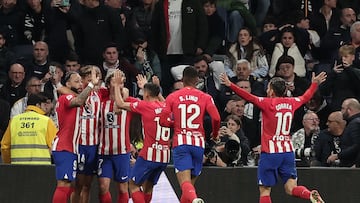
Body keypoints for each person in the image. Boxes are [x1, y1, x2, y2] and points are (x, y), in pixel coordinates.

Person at [220, 71, 327, 203]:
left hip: (270, 152)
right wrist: (314, 84)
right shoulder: (292, 102)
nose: (266, 89)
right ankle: (308, 194)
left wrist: (230, 84)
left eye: (268, 87)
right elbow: (306, 97)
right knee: (291, 187)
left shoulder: (267, 103)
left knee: (265, 190)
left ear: (272, 91)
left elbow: (248, 97)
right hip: (287, 152)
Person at [159, 66, 221, 203]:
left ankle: (195, 200)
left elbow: (163, 121)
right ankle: (193, 199)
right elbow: (216, 118)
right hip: (198, 144)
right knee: (189, 187)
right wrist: (215, 134)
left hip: (181, 143)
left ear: (182, 79)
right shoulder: (206, 97)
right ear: (197, 80)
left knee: (185, 184)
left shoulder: (172, 96)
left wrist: (176, 124)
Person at [114, 72, 171, 203]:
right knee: (148, 187)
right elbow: (165, 103)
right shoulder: (165, 106)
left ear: (146, 94)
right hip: (164, 155)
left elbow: (120, 104)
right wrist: (149, 87)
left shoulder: (145, 106)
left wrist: (117, 86)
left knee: (133, 185)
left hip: (149, 155)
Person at [52, 69, 99, 203]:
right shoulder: (66, 98)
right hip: (64, 147)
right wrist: (91, 85)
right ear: (67, 83)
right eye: (76, 81)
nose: (80, 84)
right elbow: (78, 101)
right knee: (64, 184)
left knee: (67, 185)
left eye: (80, 81)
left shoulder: (70, 96)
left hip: (70, 148)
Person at [95, 70, 134, 203]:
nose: (119, 83)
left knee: (123, 188)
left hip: (122, 152)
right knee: (103, 186)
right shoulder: (101, 100)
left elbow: (118, 109)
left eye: (122, 81)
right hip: (103, 151)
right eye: (115, 80)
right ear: (107, 83)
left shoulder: (128, 101)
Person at [1, 93, 57, 164]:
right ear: (37, 105)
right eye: (44, 104)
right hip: (41, 168)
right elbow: (55, 146)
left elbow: (5, 147)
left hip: (17, 168)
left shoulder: (14, 121)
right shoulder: (46, 121)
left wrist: (8, 163)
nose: (46, 107)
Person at [327, 98, 360, 167]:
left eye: (342, 108)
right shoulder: (354, 122)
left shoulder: (355, 123)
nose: (341, 111)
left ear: (349, 110)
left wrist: (338, 155)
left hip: (351, 166)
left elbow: (357, 146)